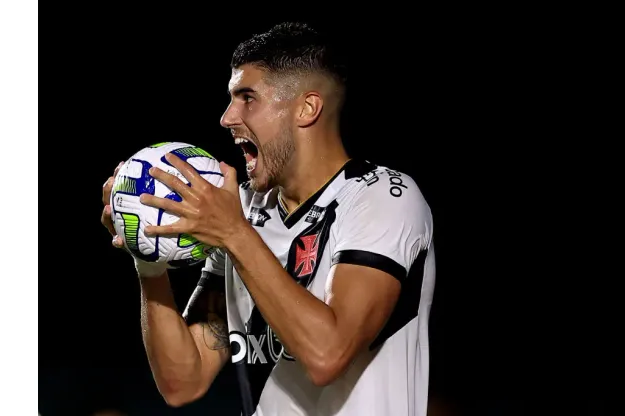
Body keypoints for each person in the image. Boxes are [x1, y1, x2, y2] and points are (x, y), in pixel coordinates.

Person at [100, 22, 436, 416]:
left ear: (307, 108)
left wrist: (233, 232)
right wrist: (148, 259)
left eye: (247, 98)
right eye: (230, 99)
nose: (226, 117)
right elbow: (183, 383)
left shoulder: (382, 197)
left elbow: (327, 355)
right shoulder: (242, 211)